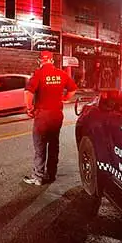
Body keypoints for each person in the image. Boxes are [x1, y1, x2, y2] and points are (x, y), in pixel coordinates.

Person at [23, 51, 77, 186]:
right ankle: (51, 174)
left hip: (42, 115)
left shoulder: (38, 74)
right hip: (56, 115)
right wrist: (64, 98)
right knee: (54, 145)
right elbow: (73, 89)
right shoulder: (61, 74)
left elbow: (28, 92)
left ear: (40, 61)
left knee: (40, 146)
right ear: (52, 61)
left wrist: (29, 109)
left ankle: (38, 177)